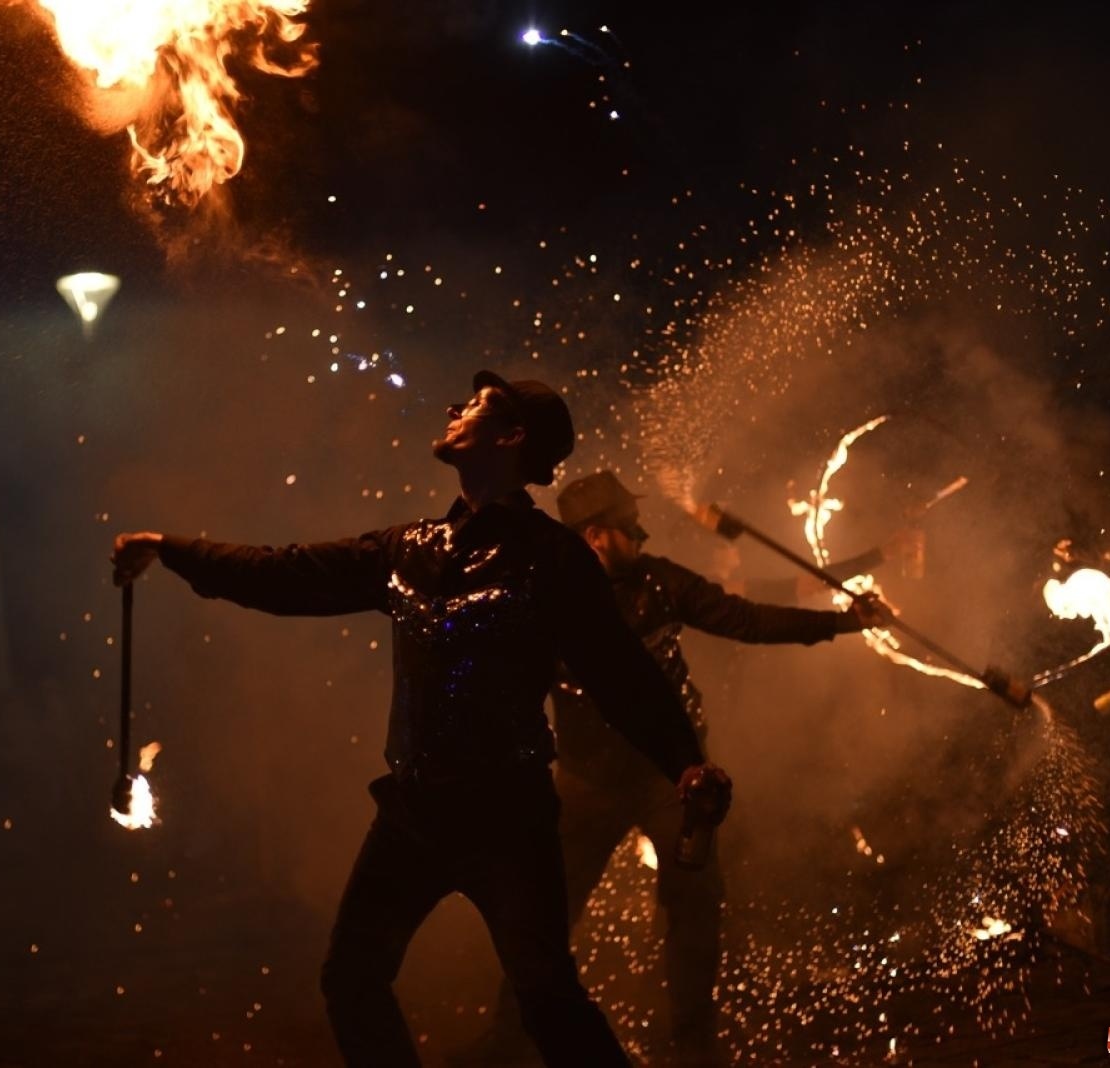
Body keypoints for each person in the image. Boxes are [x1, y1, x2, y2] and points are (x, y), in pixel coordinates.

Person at [110, 372, 734, 1068]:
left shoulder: (553, 558)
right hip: (412, 814)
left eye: (473, 406)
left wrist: (684, 759)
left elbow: (622, 675)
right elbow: (286, 574)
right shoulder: (410, 549)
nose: (452, 409)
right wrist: (173, 549)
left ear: (512, 435)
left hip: (508, 817)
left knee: (548, 999)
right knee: (351, 979)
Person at [454, 469, 891, 1066]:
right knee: (544, 913)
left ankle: (692, 1048)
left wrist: (845, 620)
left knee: (695, 900)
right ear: (596, 536)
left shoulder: (659, 583)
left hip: (673, 777)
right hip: (588, 783)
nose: (643, 532)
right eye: (630, 525)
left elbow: (746, 620)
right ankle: (508, 1037)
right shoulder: (547, 596)